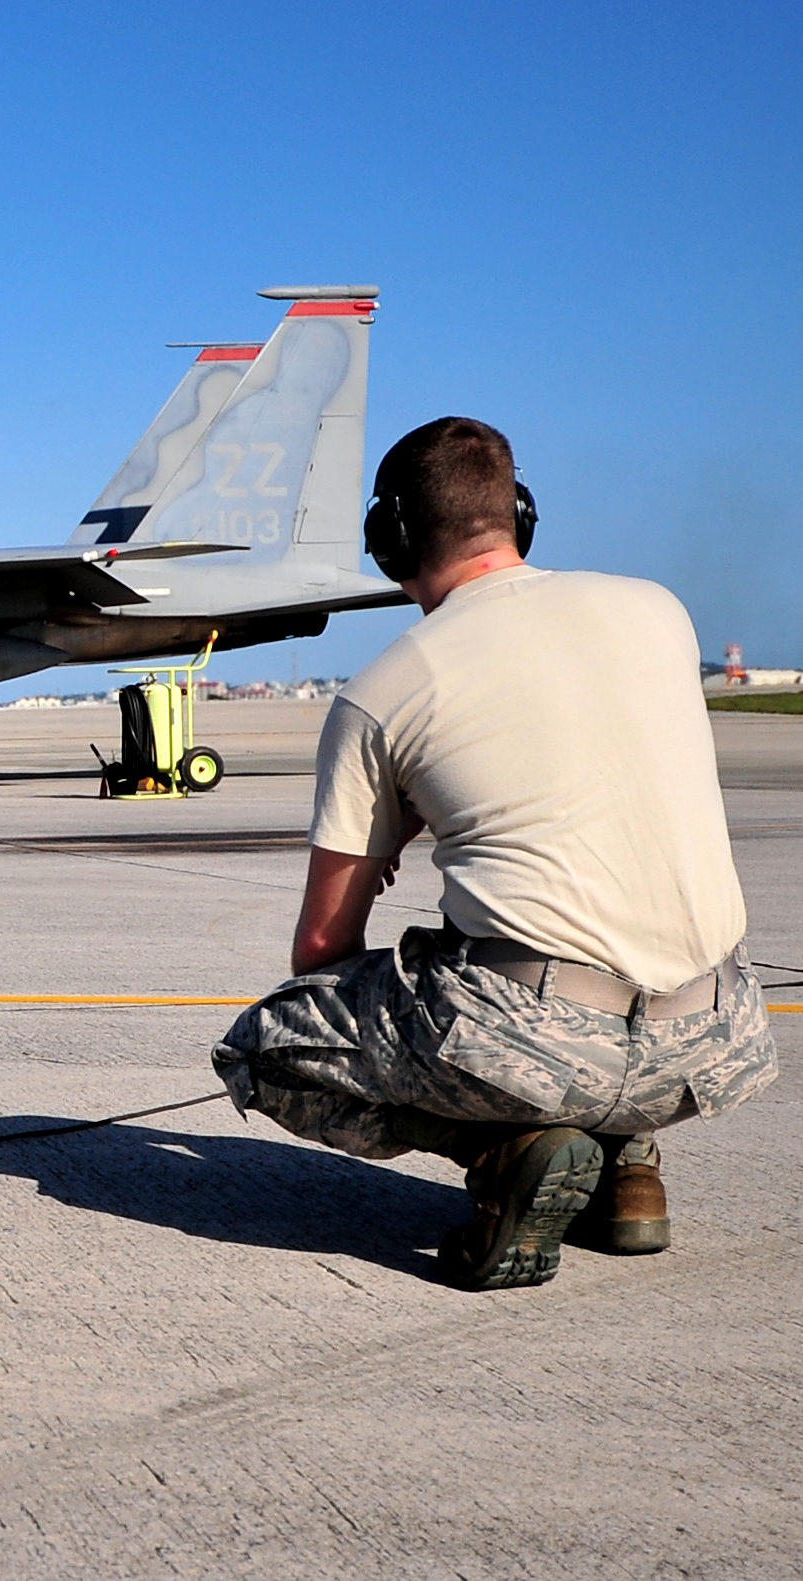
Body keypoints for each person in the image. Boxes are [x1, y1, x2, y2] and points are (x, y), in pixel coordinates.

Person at [212, 418, 777, 1290]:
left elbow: (319, 954)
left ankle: (505, 1152)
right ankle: (629, 1168)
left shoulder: (380, 694)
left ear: (389, 539)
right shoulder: (659, 611)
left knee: (263, 1044)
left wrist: (392, 828)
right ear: (518, 512)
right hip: (716, 1039)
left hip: (540, 1038)